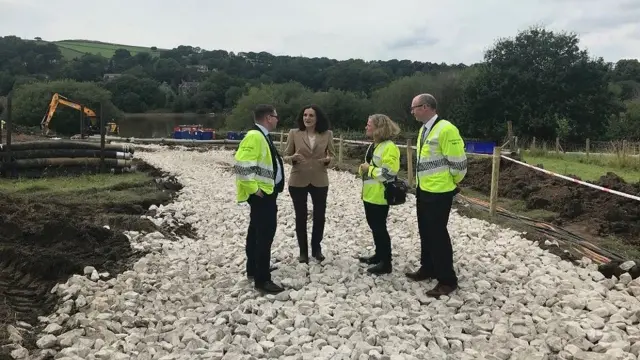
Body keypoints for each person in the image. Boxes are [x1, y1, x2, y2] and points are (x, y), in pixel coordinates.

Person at [405, 93, 467, 298]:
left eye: (413, 107)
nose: (412, 111)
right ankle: (428, 267)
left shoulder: (446, 129)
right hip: (425, 189)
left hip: (440, 192)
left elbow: (458, 163)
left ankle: (447, 280)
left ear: (425, 107)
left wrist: (452, 182)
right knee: (425, 231)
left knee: (438, 235)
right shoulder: (424, 129)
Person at [234, 104, 285, 295]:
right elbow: (241, 166)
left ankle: (254, 269)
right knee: (264, 236)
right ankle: (262, 280)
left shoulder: (261, 136)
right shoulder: (255, 136)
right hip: (262, 194)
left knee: (256, 232)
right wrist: (255, 189)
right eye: (276, 116)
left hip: (265, 192)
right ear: (268, 117)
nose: (277, 120)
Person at [283, 104, 336, 263]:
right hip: (298, 179)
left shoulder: (327, 134)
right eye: (305, 115)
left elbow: (333, 156)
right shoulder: (294, 133)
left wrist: (328, 161)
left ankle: (316, 248)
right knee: (301, 216)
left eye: (311, 115)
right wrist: (292, 158)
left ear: (317, 118)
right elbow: (285, 155)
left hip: (320, 179)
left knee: (320, 216)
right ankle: (303, 251)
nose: (307, 118)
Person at [357, 114, 401, 275]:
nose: (366, 127)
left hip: (380, 196)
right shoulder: (374, 145)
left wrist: (370, 169)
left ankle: (386, 262)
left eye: (369, 124)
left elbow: (390, 173)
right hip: (369, 195)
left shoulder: (389, 147)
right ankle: (379, 255)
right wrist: (363, 169)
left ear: (378, 128)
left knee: (380, 228)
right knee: (375, 227)